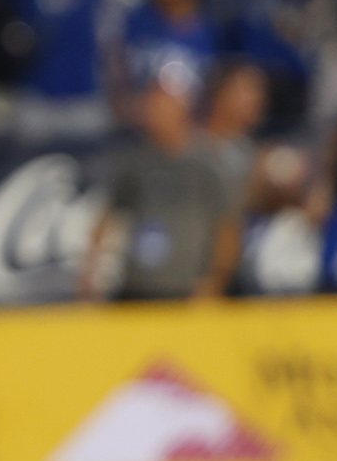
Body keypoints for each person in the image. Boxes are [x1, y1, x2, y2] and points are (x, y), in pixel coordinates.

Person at [78, 61, 239, 303]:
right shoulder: (134, 162)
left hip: (186, 295)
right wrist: (91, 274)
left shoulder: (207, 165)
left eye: (164, 100)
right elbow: (107, 219)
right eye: (152, 99)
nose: (154, 108)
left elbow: (227, 230)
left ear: (185, 104)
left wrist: (213, 285)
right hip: (135, 294)